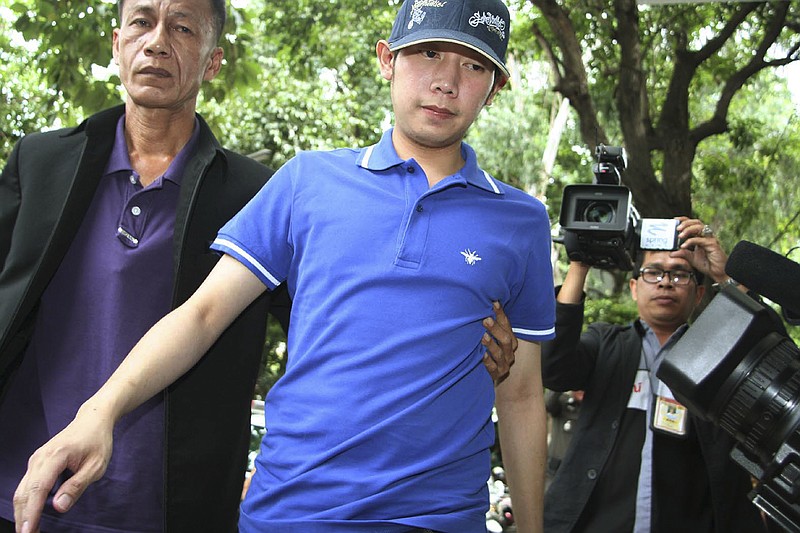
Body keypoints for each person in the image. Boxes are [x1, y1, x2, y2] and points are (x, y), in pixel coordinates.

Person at [12, 0, 557, 531]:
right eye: (429, 53)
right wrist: (100, 413)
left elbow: (523, 393)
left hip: (436, 517)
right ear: (387, 59)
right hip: (289, 510)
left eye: (474, 64)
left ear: (495, 89)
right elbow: (201, 315)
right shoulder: (307, 181)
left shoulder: (523, 221)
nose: (446, 80)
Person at [0, 1, 298, 531]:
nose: (157, 41)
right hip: (17, 493)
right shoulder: (41, 162)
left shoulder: (255, 195)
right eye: (142, 22)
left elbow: (324, 329)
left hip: (167, 510)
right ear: (117, 44)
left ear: (213, 62)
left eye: (182, 27)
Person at [542, 217, 770, 532]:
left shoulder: (720, 353)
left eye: (679, 274)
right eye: (653, 272)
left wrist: (726, 275)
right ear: (634, 288)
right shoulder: (606, 343)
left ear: (699, 294)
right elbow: (553, 368)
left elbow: (770, 362)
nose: (665, 282)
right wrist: (580, 265)